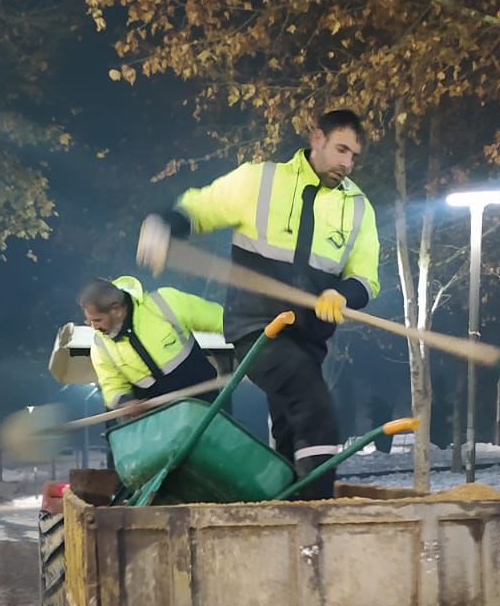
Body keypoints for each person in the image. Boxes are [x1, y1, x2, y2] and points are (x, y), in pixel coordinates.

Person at [136, 109, 380, 498]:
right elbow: (203, 207)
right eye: (341, 149)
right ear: (317, 138)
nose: (347, 163)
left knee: (290, 429)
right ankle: (315, 516)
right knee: (316, 412)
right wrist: (165, 223)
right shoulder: (260, 181)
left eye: (354, 155)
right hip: (258, 331)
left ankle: (285, 509)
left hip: (309, 340)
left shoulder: (358, 209)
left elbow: (366, 278)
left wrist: (342, 294)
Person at [79, 275, 224, 417]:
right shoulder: (100, 346)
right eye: (89, 321)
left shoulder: (165, 303)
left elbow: (219, 319)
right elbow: (112, 385)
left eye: (97, 320)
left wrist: (245, 337)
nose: (94, 327)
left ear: (116, 310)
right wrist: (124, 402)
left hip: (206, 408)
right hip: (160, 422)